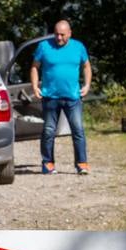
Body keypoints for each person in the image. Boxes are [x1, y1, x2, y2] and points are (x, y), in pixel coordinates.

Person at [30, 19, 92, 175]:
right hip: (50, 97)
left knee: (77, 130)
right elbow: (34, 67)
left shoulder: (78, 47)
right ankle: (48, 163)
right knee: (49, 130)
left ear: (69, 33)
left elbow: (86, 66)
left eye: (62, 35)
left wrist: (87, 85)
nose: (59, 38)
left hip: (73, 97)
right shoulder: (44, 46)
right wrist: (35, 86)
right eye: (56, 34)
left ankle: (82, 164)